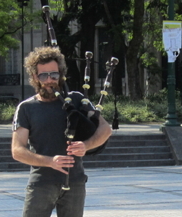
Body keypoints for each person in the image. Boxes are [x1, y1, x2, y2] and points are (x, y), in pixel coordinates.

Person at [11, 46, 112, 217]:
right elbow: (17, 150)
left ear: (61, 74)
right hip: (41, 182)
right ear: (35, 77)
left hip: (75, 182)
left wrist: (86, 145)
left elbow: (105, 129)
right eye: (43, 75)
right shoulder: (26, 108)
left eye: (54, 75)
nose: (49, 80)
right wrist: (50, 161)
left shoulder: (76, 99)